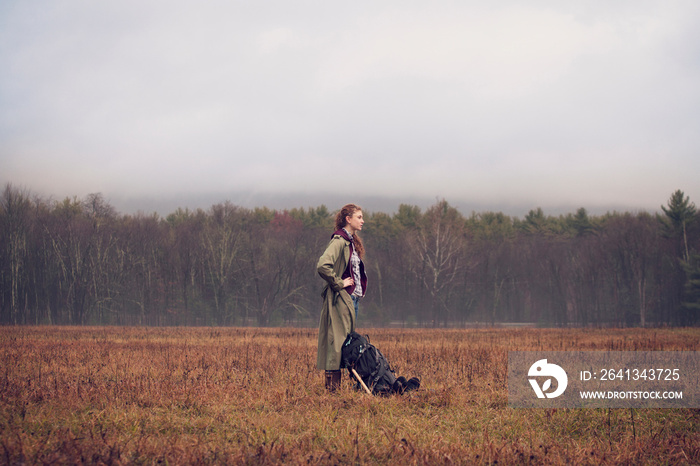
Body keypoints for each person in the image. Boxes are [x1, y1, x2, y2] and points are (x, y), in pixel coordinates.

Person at [316, 203, 368, 391]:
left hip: (352, 299)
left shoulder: (351, 241)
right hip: (342, 300)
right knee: (337, 343)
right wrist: (339, 283)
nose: (362, 221)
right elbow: (323, 265)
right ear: (348, 219)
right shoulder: (339, 240)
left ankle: (338, 390)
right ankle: (332, 391)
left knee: (346, 343)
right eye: (359, 217)